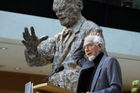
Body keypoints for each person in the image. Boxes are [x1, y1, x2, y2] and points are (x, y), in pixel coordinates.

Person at [22, 0, 105, 91]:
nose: (58, 14)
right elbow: (35, 61)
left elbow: (100, 66)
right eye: (56, 11)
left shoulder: (91, 29)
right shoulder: (59, 37)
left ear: (78, 5)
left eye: (62, 9)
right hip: (56, 89)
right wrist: (32, 49)